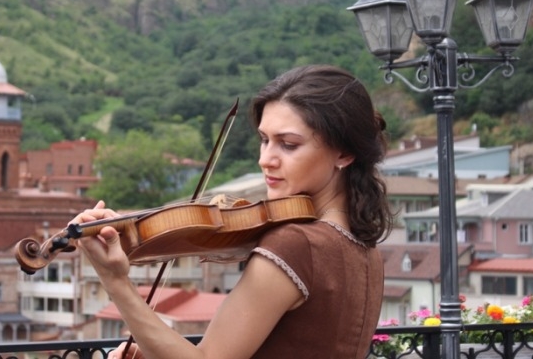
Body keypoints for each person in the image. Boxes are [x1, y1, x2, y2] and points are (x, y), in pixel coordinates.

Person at [71, 64, 394, 359]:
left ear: (344, 153)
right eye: (264, 140)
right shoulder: (366, 251)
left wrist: (115, 281)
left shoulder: (296, 244)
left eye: (288, 144)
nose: (265, 159)